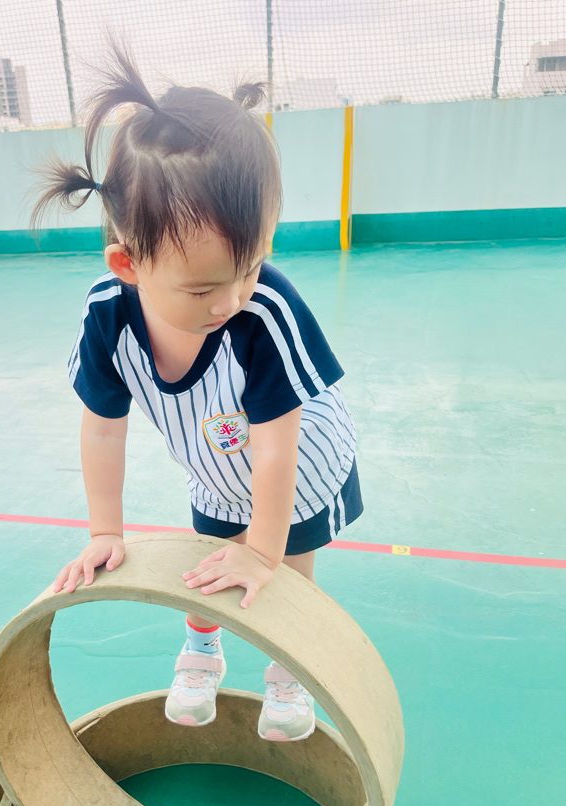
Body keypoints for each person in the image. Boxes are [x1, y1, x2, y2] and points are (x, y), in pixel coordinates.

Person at [33, 48, 362, 742]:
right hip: (213, 464)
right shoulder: (107, 317)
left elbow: (275, 449)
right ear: (128, 264)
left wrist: (263, 554)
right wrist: (105, 532)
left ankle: (288, 671)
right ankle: (202, 652)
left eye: (250, 267)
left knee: (287, 575)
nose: (231, 299)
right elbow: (102, 428)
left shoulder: (264, 312)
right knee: (206, 561)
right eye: (205, 287)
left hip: (298, 463)